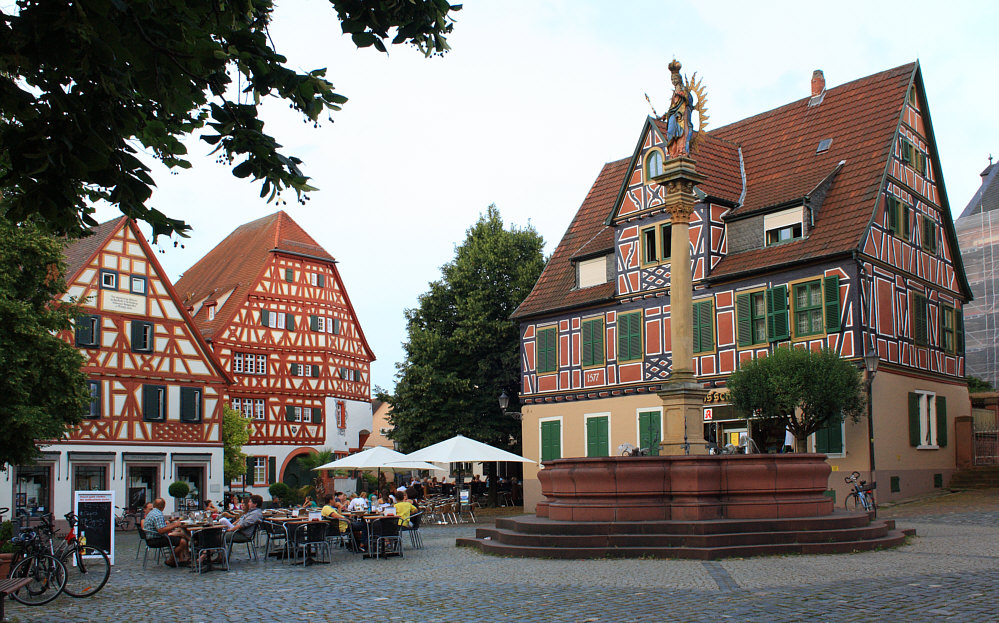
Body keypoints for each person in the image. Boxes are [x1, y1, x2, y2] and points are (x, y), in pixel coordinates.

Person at [145, 498, 189, 566]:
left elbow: (162, 527)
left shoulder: (152, 513)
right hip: (156, 539)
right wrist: (175, 525)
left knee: (179, 536)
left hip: (150, 538)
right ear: (163, 506)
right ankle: (171, 561)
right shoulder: (158, 514)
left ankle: (182, 559)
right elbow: (161, 530)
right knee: (182, 542)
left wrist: (173, 524)